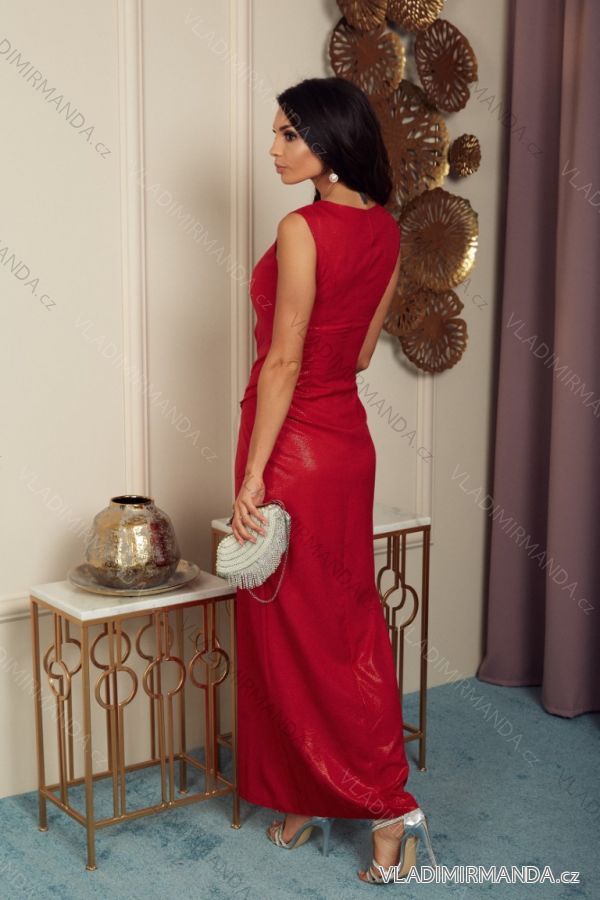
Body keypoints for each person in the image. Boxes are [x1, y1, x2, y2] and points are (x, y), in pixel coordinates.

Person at [230, 76, 437, 884]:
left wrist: (254, 474)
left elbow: (284, 362)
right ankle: (308, 791)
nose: (274, 148)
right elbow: (357, 354)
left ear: (329, 140)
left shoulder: (301, 228)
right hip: (347, 443)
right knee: (339, 622)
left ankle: (388, 806)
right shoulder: (385, 230)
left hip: (294, 449)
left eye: (288, 133)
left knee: (298, 630)